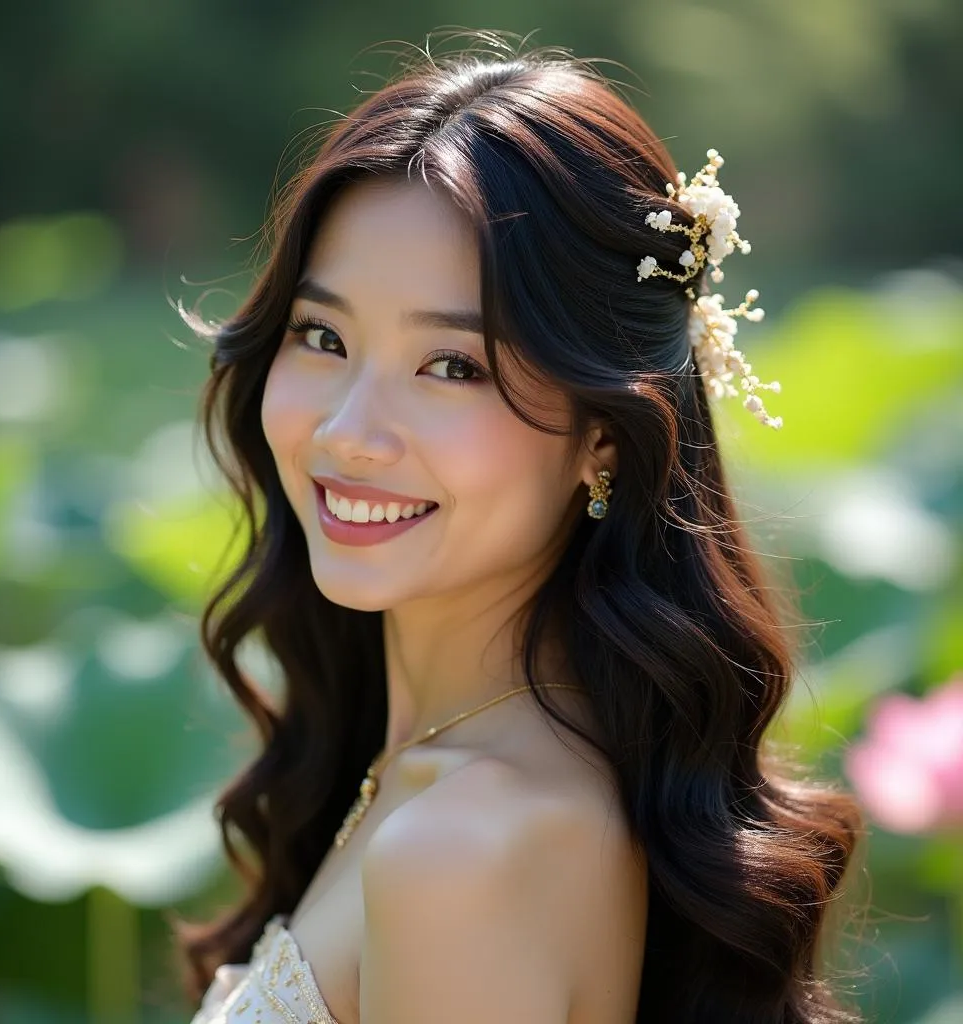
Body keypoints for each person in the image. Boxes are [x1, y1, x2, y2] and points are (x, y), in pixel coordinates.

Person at [171, 30, 865, 1024]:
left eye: (452, 364)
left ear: (606, 438)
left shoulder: (465, 851)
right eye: (322, 337)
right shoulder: (443, 774)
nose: (347, 432)